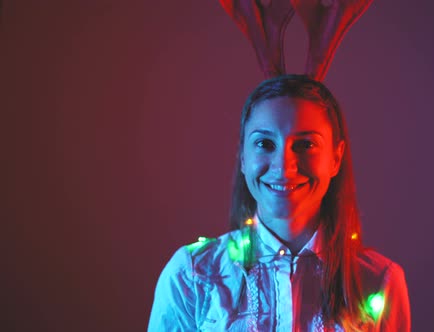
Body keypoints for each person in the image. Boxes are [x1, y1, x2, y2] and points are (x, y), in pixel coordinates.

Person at [148, 75, 411, 331]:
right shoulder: (192, 275)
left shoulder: (380, 281)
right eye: (264, 143)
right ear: (242, 156)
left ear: (335, 158)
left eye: (306, 144)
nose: (284, 167)